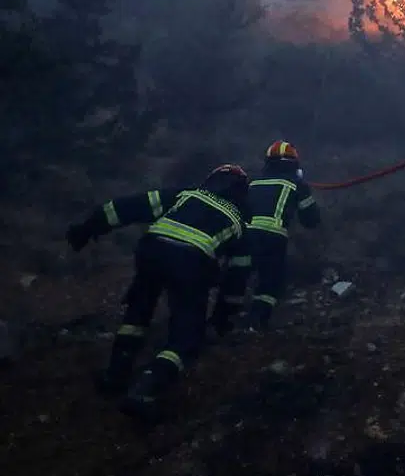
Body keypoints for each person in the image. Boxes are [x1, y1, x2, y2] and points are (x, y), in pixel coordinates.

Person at [66, 164, 252, 419]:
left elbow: (126, 208)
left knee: (138, 312)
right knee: (186, 335)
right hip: (192, 263)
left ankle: (115, 374)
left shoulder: (185, 195)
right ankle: (147, 387)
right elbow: (237, 275)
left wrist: (87, 228)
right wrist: (224, 314)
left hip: (151, 251)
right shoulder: (238, 222)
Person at [212, 141, 321, 334]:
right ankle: (255, 322)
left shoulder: (253, 182)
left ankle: (221, 321)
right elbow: (311, 221)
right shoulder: (297, 185)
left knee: (237, 276)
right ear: (295, 164)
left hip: (243, 236)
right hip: (272, 237)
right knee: (271, 280)